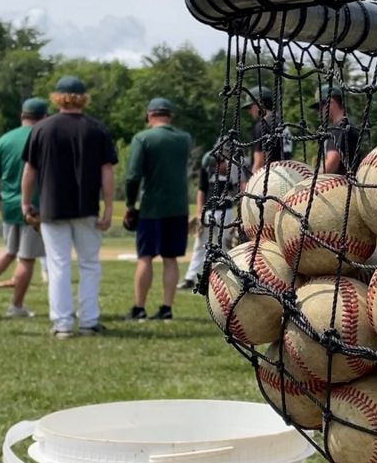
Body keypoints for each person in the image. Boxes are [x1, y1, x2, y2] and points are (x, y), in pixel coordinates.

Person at [21, 76, 116, 339]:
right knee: (89, 264)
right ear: (83, 98)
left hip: (52, 207)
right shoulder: (97, 129)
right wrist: (108, 207)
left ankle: (62, 324)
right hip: (86, 207)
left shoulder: (41, 128)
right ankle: (88, 321)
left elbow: (30, 170)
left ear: (57, 97)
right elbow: (106, 171)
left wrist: (25, 202)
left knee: (58, 265)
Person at [0, 98, 48, 318]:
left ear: (22, 115)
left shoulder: (4, 139)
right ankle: (16, 306)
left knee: (8, 250)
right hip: (32, 204)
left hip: (9, 203)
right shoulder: (42, 137)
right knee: (27, 257)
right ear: (44, 117)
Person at [122, 98, 192, 321]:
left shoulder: (142, 138)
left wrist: (130, 205)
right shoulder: (184, 138)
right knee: (170, 258)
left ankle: (139, 307)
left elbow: (133, 176)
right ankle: (166, 308)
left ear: (149, 115)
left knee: (145, 257)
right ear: (170, 116)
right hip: (179, 206)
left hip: (152, 207)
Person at [181, 142, 246, 291]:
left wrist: (239, 216)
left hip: (226, 212)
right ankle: (190, 278)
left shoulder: (233, 168)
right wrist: (199, 212)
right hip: (208, 211)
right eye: (214, 162)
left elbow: (241, 190)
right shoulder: (208, 168)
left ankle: (224, 279)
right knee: (200, 245)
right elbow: (201, 190)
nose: (216, 166)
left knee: (224, 245)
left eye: (219, 162)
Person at [312, 84, 361, 175]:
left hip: (340, 186)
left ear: (331, 103)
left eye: (320, 106)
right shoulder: (349, 125)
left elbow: (332, 163)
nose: (319, 112)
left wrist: (311, 179)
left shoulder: (338, 129)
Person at [244, 86, 292, 174]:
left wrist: (251, 185)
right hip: (289, 175)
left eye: (250, 107)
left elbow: (259, 163)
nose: (249, 112)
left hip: (270, 179)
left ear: (259, 103)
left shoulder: (262, 126)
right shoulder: (282, 124)